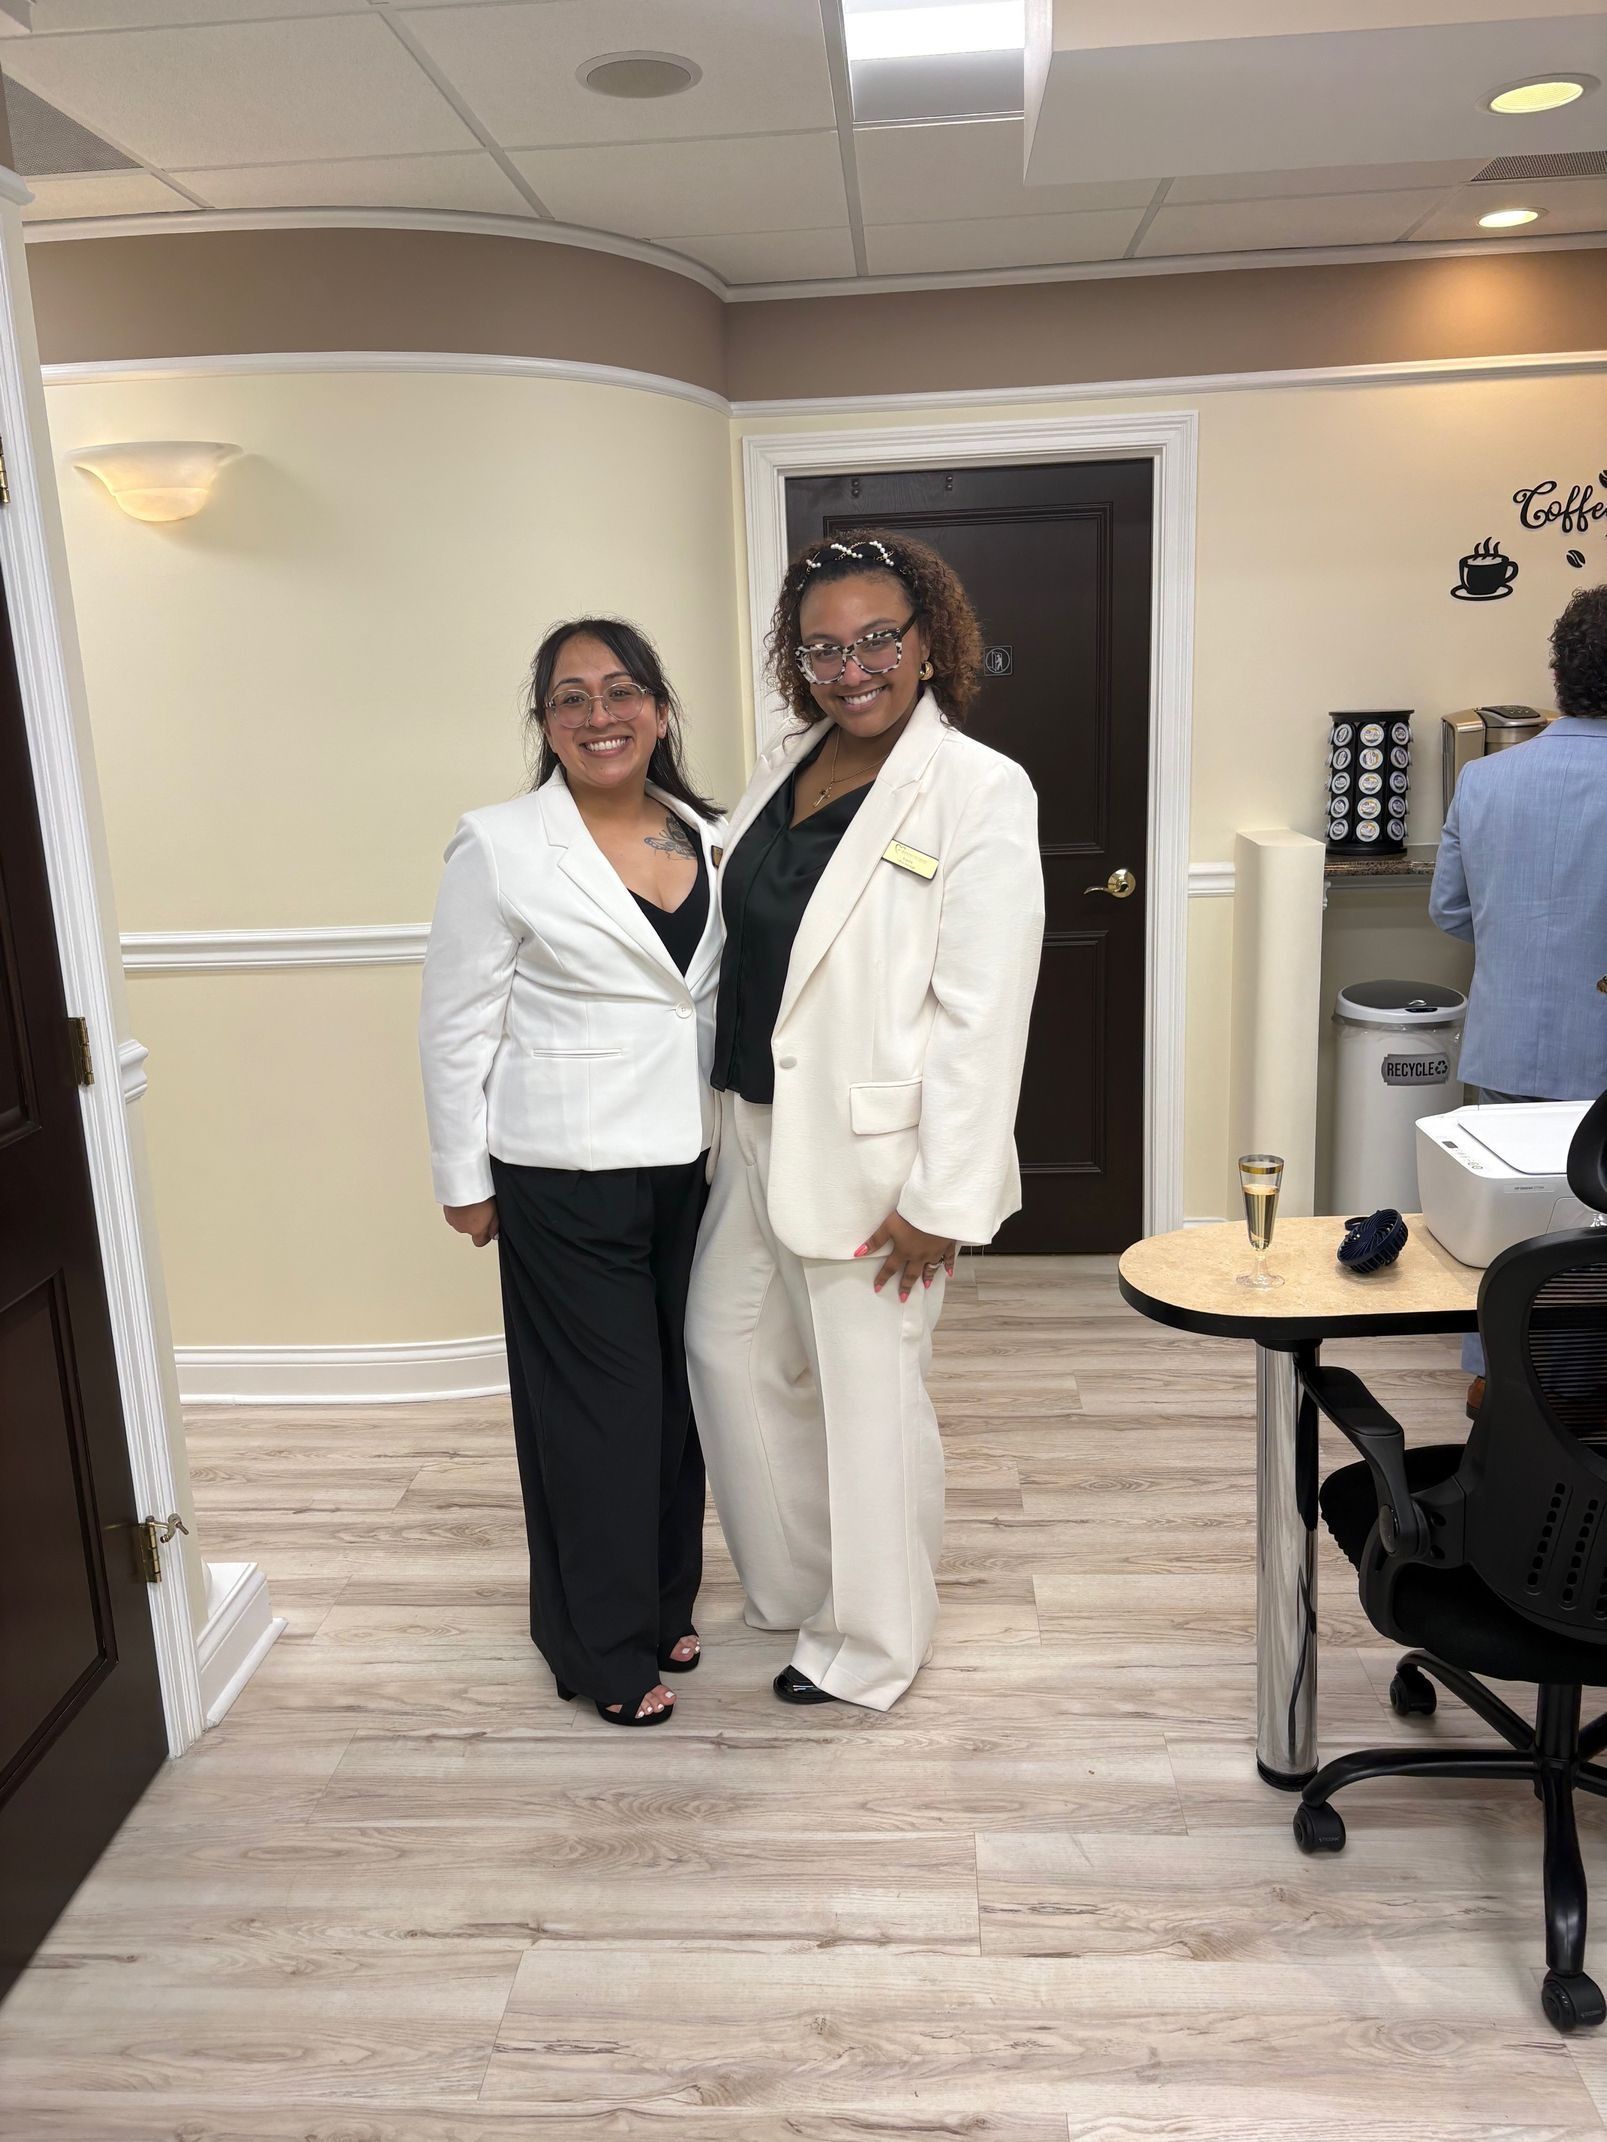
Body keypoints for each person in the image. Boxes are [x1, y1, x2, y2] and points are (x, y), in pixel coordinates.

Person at [685, 530, 1044, 1711]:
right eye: (822, 647)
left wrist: (942, 1198)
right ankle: (799, 1588)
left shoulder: (978, 788)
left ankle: (874, 1643)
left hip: (873, 1153)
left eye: (876, 639)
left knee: (866, 1400)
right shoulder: (787, 766)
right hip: (746, 1124)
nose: (850, 668)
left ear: (928, 640)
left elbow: (982, 1014)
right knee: (726, 1359)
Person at [419, 619, 724, 1726]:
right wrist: (464, 1176)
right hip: (561, 1170)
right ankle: (599, 1645)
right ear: (544, 722)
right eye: (571, 698)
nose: (601, 715)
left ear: (659, 707)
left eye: (622, 690)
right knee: (600, 1413)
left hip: (692, 1167)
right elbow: (454, 1024)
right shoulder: (498, 843)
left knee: (680, 1402)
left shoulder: (712, 833)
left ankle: (659, 1598)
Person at [1430, 583, 1607, 1412]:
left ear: (1556, 671)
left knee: (1509, 1223)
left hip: (1507, 1040)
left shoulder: (1486, 782)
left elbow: (1450, 912)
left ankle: (1493, 1373)